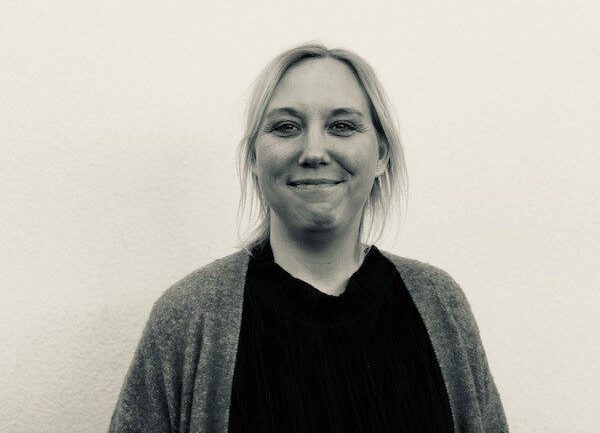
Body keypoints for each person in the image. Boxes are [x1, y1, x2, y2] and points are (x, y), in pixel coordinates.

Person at [109, 43, 509, 433]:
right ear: (254, 158)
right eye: (286, 127)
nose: (314, 151)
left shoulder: (439, 303)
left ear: (381, 155)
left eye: (342, 126)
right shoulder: (188, 316)